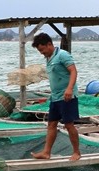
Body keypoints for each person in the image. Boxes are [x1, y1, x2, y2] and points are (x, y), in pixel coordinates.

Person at [30, 32, 82, 160]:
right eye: (39, 51)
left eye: (42, 50)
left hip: (67, 96)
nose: (42, 53)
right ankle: (46, 152)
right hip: (55, 97)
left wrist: (69, 89)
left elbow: (73, 71)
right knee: (51, 124)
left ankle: (76, 152)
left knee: (69, 124)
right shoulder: (48, 58)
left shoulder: (62, 55)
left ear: (49, 44)